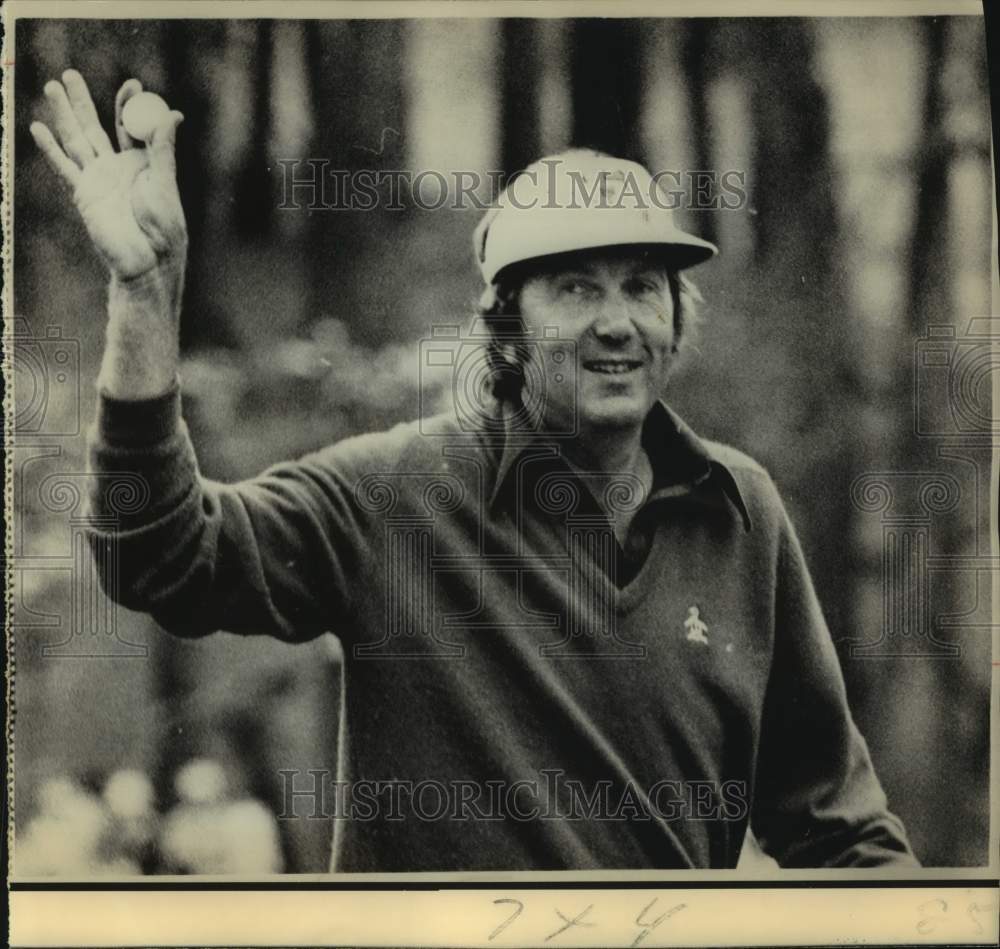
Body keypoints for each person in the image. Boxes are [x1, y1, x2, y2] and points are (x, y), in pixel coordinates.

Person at [30, 70, 919, 871]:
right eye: (575, 287)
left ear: (677, 317)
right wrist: (145, 302)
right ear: (505, 325)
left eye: (644, 284)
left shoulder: (741, 510)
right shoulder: (394, 493)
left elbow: (839, 828)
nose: (618, 321)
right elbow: (159, 554)